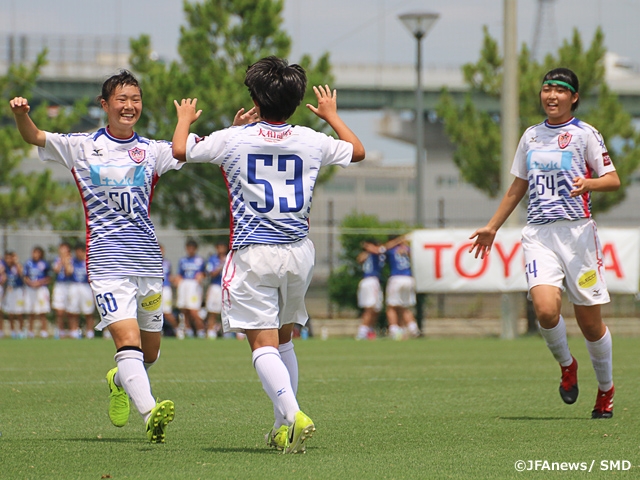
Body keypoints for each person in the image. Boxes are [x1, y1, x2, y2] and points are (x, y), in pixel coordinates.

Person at [172, 56, 366, 453]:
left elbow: (179, 150)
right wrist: (330, 115)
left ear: (256, 99)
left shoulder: (234, 138)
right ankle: (281, 428)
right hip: (298, 253)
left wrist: (186, 118)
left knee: (261, 344)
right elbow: (357, 151)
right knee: (285, 339)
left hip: (253, 254)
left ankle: (293, 415)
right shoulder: (311, 139)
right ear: (296, 101)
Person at [10, 70, 179, 442]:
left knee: (149, 354)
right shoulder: (81, 146)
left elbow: (189, 150)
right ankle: (151, 413)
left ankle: (118, 380)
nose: (129, 106)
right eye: (121, 99)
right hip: (106, 262)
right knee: (128, 341)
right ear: (105, 105)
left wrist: (232, 129)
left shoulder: (152, 150)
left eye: (135, 99)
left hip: (148, 263)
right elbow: (36, 136)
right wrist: (23, 114)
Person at [469, 68, 620, 419]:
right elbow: (517, 186)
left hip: (579, 236)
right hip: (539, 234)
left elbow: (611, 179)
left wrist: (589, 184)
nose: (551, 96)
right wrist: (492, 227)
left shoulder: (586, 135)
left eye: (560, 90)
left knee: (590, 324)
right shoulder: (531, 136)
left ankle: (606, 389)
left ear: (574, 97)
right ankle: (568, 366)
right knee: (546, 310)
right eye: (547, 89)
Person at [384, 235, 420, 340]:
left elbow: (385, 248)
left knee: (391, 307)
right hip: (409, 278)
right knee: (404, 307)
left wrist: (397, 241)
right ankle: (413, 329)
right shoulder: (406, 249)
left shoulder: (391, 250)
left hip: (396, 278)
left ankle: (394, 331)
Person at [175, 239, 206, 338]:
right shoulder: (183, 260)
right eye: (189, 248)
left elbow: (205, 273)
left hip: (194, 285)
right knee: (184, 309)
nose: (190, 250)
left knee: (193, 310)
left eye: (192, 248)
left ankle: (201, 330)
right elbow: (179, 274)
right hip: (184, 284)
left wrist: (201, 276)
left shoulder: (200, 260)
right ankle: (188, 330)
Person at [354, 240, 384, 341]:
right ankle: (362, 332)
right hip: (370, 280)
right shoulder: (370, 254)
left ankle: (369, 330)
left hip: (372, 281)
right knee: (370, 308)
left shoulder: (377, 253)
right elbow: (359, 259)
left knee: (376, 308)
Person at [67, 244, 96, 339]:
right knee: (73, 311)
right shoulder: (72, 261)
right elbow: (68, 272)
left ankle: (90, 332)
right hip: (74, 285)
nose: (78, 253)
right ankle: (74, 332)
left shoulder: (88, 261)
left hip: (85, 286)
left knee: (88, 311)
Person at [23, 246, 51, 338]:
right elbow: (25, 276)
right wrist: (30, 283)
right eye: (34, 253)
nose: (35, 255)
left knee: (42, 311)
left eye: (37, 253)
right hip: (30, 289)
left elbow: (49, 278)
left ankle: (44, 331)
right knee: (31, 311)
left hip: (41, 289)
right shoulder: (28, 263)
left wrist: (39, 282)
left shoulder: (45, 264)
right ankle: (30, 331)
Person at [204, 241, 228, 339]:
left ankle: (227, 332)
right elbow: (211, 273)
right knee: (213, 310)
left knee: (227, 310)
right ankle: (210, 330)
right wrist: (220, 266)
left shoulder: (230, 258)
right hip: (215, 286)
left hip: (227, 286)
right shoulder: (212, 259)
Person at [51, 242, 73, 339]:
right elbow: (56, 270)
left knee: (71, 311)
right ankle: (60, 331)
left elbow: (69, 272)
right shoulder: (57, 260)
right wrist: (61, 261)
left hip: (69, 285)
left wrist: (66, 261)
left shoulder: (72, 260)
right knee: (59, 311)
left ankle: (72, 332)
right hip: (59, 285)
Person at [2, 252, 25, 338]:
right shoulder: (5, 268)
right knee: (10, 312)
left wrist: (17, 262)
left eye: (9, 258)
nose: (8, 260)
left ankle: (21, 331)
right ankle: (12, 331)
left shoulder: (17, 266)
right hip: (9, 290)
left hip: (18, 290)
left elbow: (21, 274)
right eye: (6, 258)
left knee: (19, 312)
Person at [159, 244, 180, 337]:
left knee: (166, 312)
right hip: (156, 288)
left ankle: (177, 328)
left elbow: (170, 275)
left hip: (166, 288)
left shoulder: (167, 263)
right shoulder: (151, 262)